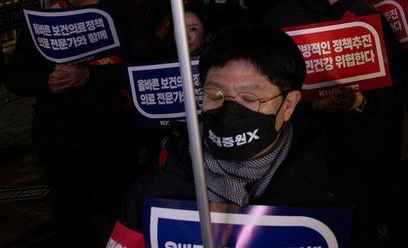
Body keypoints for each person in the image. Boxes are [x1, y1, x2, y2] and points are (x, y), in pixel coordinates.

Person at [107, 25, 365, 246]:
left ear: (288, 105)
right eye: (215, 95)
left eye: (249, 98)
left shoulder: (335, 190)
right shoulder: (155, 189)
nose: (229, 110)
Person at [1, 0, 150, 245]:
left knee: (118, 209)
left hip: (112, 133)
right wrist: (47, 82)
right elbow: (15, 75)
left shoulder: (128, 16)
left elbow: (145, 70)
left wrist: (89, 75)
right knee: (69, 213)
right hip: (58, 135)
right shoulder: (43, 21)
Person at [262, 0, 403, 245]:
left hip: (366, 154)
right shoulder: (280, 24)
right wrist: (309, 108)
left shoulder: (367, 16)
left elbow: (400, 78)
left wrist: (361, 101)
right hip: (305, 159)